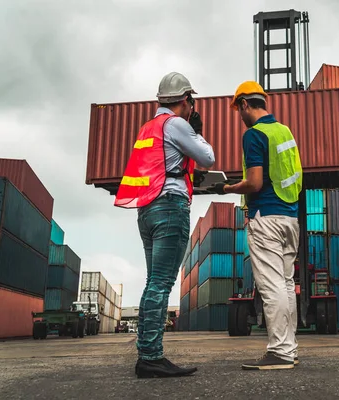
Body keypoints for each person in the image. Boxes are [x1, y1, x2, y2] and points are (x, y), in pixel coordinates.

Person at [114, 72, 215, 378]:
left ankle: (147, 353)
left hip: (146, 208)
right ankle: (150, 356)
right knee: (160, 283)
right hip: (170, 206)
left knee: (153, 281)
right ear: (186, 100)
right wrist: (196, 133)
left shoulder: (148, 128)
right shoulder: (177, 124)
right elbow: (208, 157)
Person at [210, 81, 303, 370]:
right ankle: (289, 348)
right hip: (290, 217)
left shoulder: (254, 135)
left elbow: (255, 182)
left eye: (238, 109)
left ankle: (280, 352)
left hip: (267, 218)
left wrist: (225, 188)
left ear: (245, 104)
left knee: (271, 285)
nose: (239, 114)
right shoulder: (284, 131)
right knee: (286, 284)